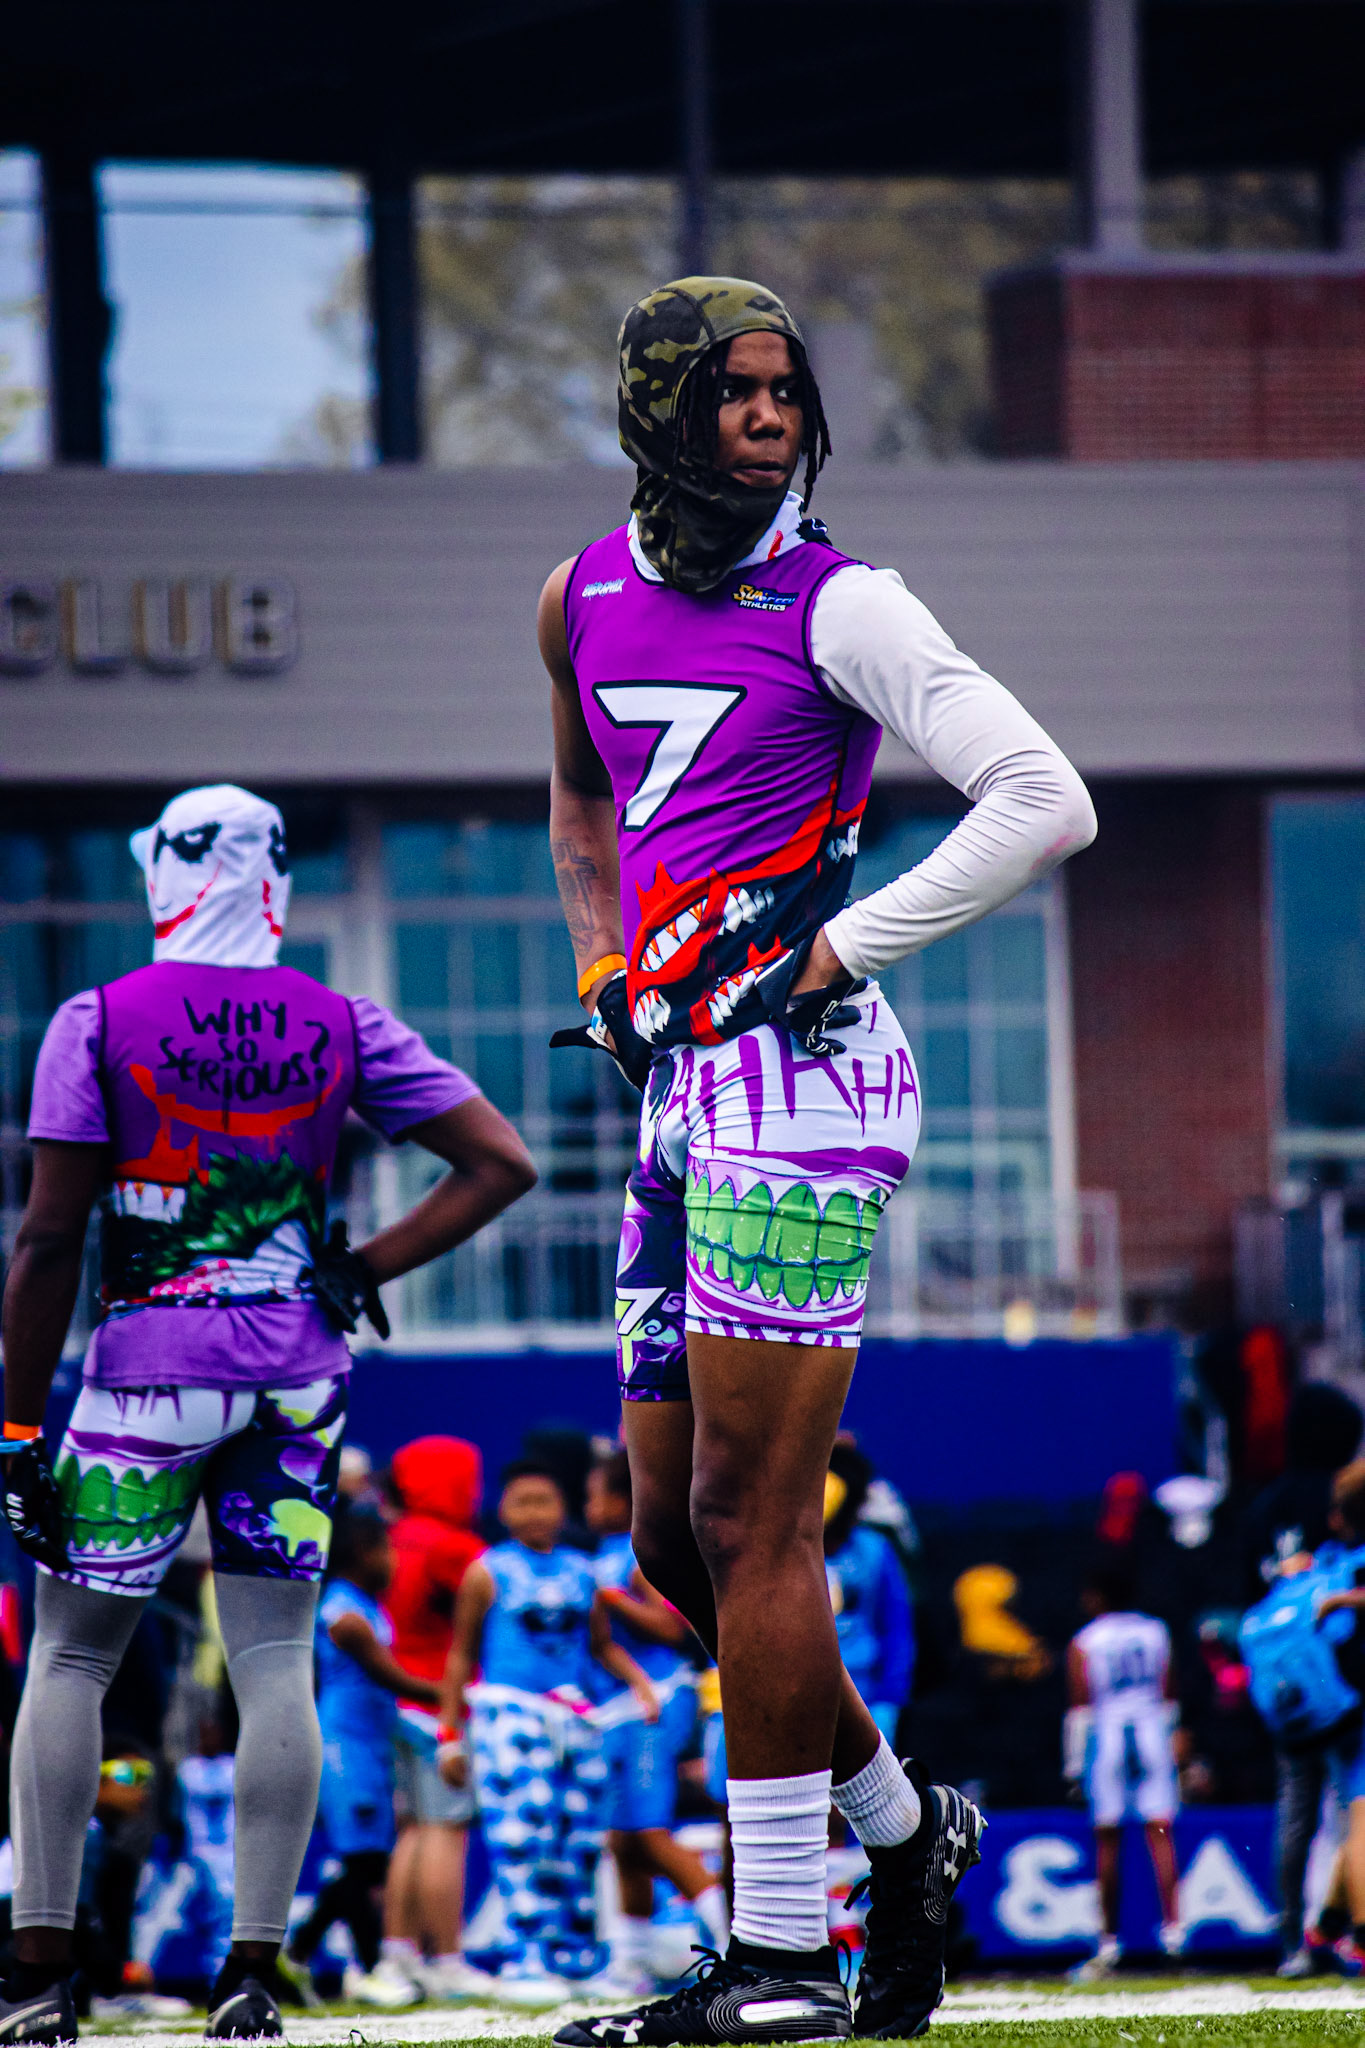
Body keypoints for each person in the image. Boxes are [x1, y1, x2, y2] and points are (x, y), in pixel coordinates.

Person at [539, 276, 1096, 2044]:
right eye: (734, 390)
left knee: (750, 1521)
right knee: (672, 1546)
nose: (771, 417)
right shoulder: (577, 592)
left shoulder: (844, 599)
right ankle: (904, 1830)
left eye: (786, 389)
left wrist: (836, 950)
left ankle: (781, 1955)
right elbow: (583, 796)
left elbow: (1045, 797)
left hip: (805, 1080)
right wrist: (602, 969)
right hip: (680, 1085)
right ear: (657, 406)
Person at [0, 784, 536, 2046]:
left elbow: (48, 1238)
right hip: (300, 1373)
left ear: (170, 871)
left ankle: (37, 1980)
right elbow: (502, 1160)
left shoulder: (98, 1017)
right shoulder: (340, 1018)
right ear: (276, 882)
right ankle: (250, 1975)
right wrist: (363, 1268)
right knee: (276, 1660)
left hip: (146, 1369)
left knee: (71, 1658)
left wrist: (18, 1431)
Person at [439, 1462, 658, 2004]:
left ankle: (578, 1956)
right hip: (510, 1718)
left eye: (546, 1500)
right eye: (523, 1501)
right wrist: (449, 1732)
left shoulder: (583, 1571)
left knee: (580, 1839)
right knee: (522, 1835)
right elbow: (461, 1654)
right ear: (503, 1511)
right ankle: (527, 1956)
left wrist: (641, 1687)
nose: (535, 1512)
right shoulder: (487, 1571)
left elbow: (602, 1645)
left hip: (576, 1720)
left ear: (564, 1510)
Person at [584, 1449, 729, 1990]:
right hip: (618, 1709)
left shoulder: (636, 1553)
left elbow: (673, 1628)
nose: (588, 1507)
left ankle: (730, 1941)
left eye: (595, 1496)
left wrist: (611, 1600)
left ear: (623, 1500)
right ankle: (631, 1962)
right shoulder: (601, 1554)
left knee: (648, 1832)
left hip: (655, 1702)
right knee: (623, 1839)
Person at [287, 1508, 439, 2008]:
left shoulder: (368, 1607)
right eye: (385, 1549)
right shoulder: (345, 1615)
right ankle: (369, 1968)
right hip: (345, 1747)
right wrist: (453, 1694)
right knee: (364, 1863)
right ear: (361, 1552)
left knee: (367, 1863)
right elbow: (388, 1676)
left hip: (370, 1747)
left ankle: (297, 1955)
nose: (393, 1561)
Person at [380, 1436, 486, 2002]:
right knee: (447, 1831)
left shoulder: (388, 1538)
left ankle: (398, 1954)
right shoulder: (455, 1547)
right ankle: (446, 1958)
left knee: (412, 1831)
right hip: (443, 1705)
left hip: (395, 1702)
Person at [1064, 1565, 1184, 1978]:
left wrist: (1074, 1766)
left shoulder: (1086, 1640)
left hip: (1109, 1737)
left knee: (1108, 1840)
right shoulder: (1156, 1631)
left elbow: (1081, 1705)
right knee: (1161, 1833)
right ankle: (1174, 1935)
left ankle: (1109, 1942)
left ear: (1098, 1596)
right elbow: (1169, 1693)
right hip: (1152, 1733)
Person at [823, 1442, 913, 1753]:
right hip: (800, 1696)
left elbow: (897, 1628)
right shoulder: (783, 1554)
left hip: (866, 1697)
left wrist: (890, 1698)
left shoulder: (875, 1549)